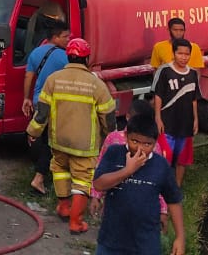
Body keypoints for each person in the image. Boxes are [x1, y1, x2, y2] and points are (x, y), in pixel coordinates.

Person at [26, 38, 116, 233]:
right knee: (82, 180)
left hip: (58, 141)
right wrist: (111, 138)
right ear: (87, 58)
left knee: (60, 171)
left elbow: (42, 112)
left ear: (68, 55)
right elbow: (108, 118)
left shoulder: (53, 79)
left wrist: (33, 132)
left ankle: (64, 207)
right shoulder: (96, 85)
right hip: (84, 145)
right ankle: (75, 221)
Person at [93, 111, 186, 255]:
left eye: (147, 144)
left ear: (155, 143)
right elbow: (99, 184)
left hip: (146, 244)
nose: (140, 148)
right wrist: (128, 170)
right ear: (125, 137)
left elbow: (173, 201)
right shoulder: (114, 153)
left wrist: (180, 237)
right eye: (135, 141)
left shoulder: (160, 165)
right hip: (110, 241)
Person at [22, 22, 71, 194]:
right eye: (66, 37)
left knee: (40, 139)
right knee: (49, 143)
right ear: (55, 37)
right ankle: (40, 177)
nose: (68, 40)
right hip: (54, 106)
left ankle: (38, 173)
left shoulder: (36, 52)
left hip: (38, 103)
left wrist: (26, 98)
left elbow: (29, 76)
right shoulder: (65, 57)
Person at [152, 38, 199, 185]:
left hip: (185, 123)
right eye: (180, 53)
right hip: (168, 122)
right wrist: (158, 118)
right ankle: (163, 186)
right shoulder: (165, 71)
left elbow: (194, 99)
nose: (183, 57)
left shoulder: (192, 74)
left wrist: (196, 119)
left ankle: (177, 186)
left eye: (187, 54)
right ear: (174, 53)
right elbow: (158, 96)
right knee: (165, 156)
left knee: (182, 158)